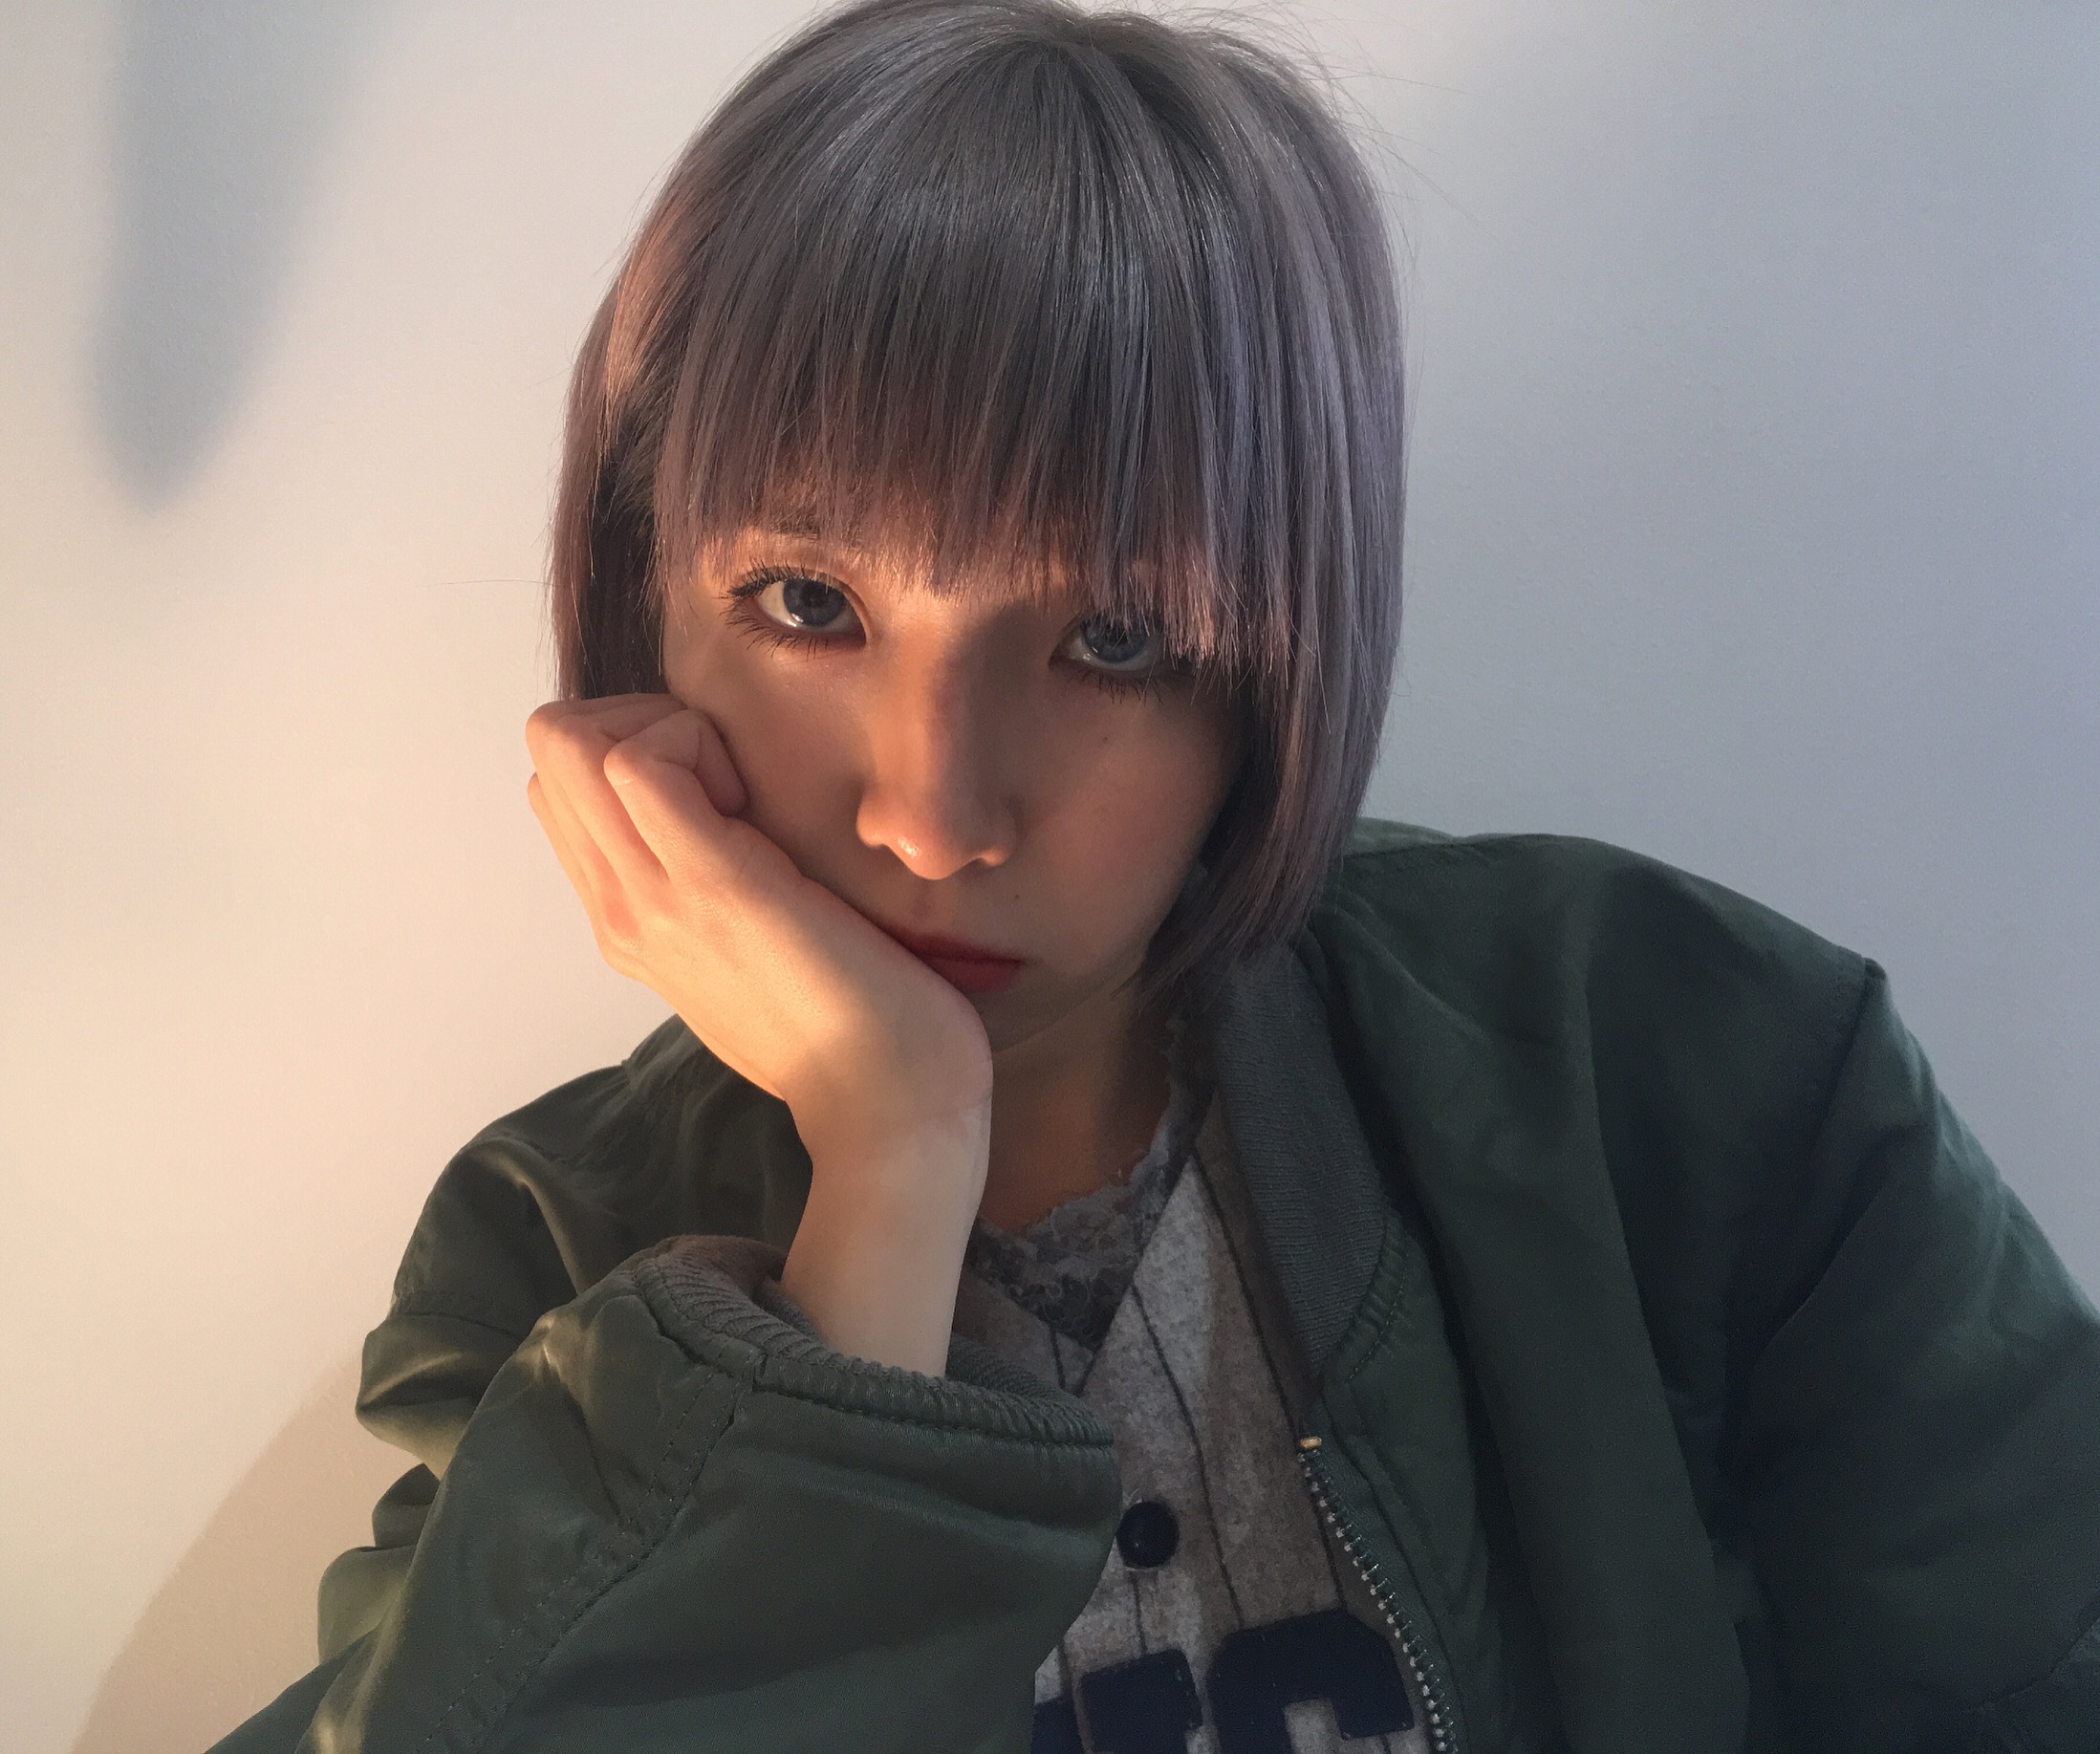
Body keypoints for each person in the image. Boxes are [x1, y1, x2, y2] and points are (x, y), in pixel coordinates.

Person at [209, 1, 2100, 1750]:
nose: (935, 816)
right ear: (644, 607)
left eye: (1111, 641)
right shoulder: (550, 1254)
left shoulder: (1695, 1075)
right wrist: (888, 1155)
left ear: (1277, 657)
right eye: (807, 603)